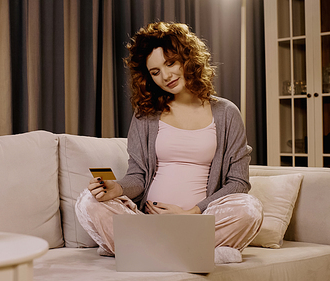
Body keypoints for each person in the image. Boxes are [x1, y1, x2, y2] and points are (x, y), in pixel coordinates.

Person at [75, 22, 263, 264]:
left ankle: (135, 250)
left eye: (170, 63)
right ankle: (201, 253)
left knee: (249, 209)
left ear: (188, 58)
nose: (165, 76)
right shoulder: (146, 115)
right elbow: (139, 176)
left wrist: (192, 213)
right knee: (88, 201)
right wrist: (117, 189)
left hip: (199, 221)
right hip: (148, 221)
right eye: (155, 72)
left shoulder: (226, 112)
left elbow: (238, 182)